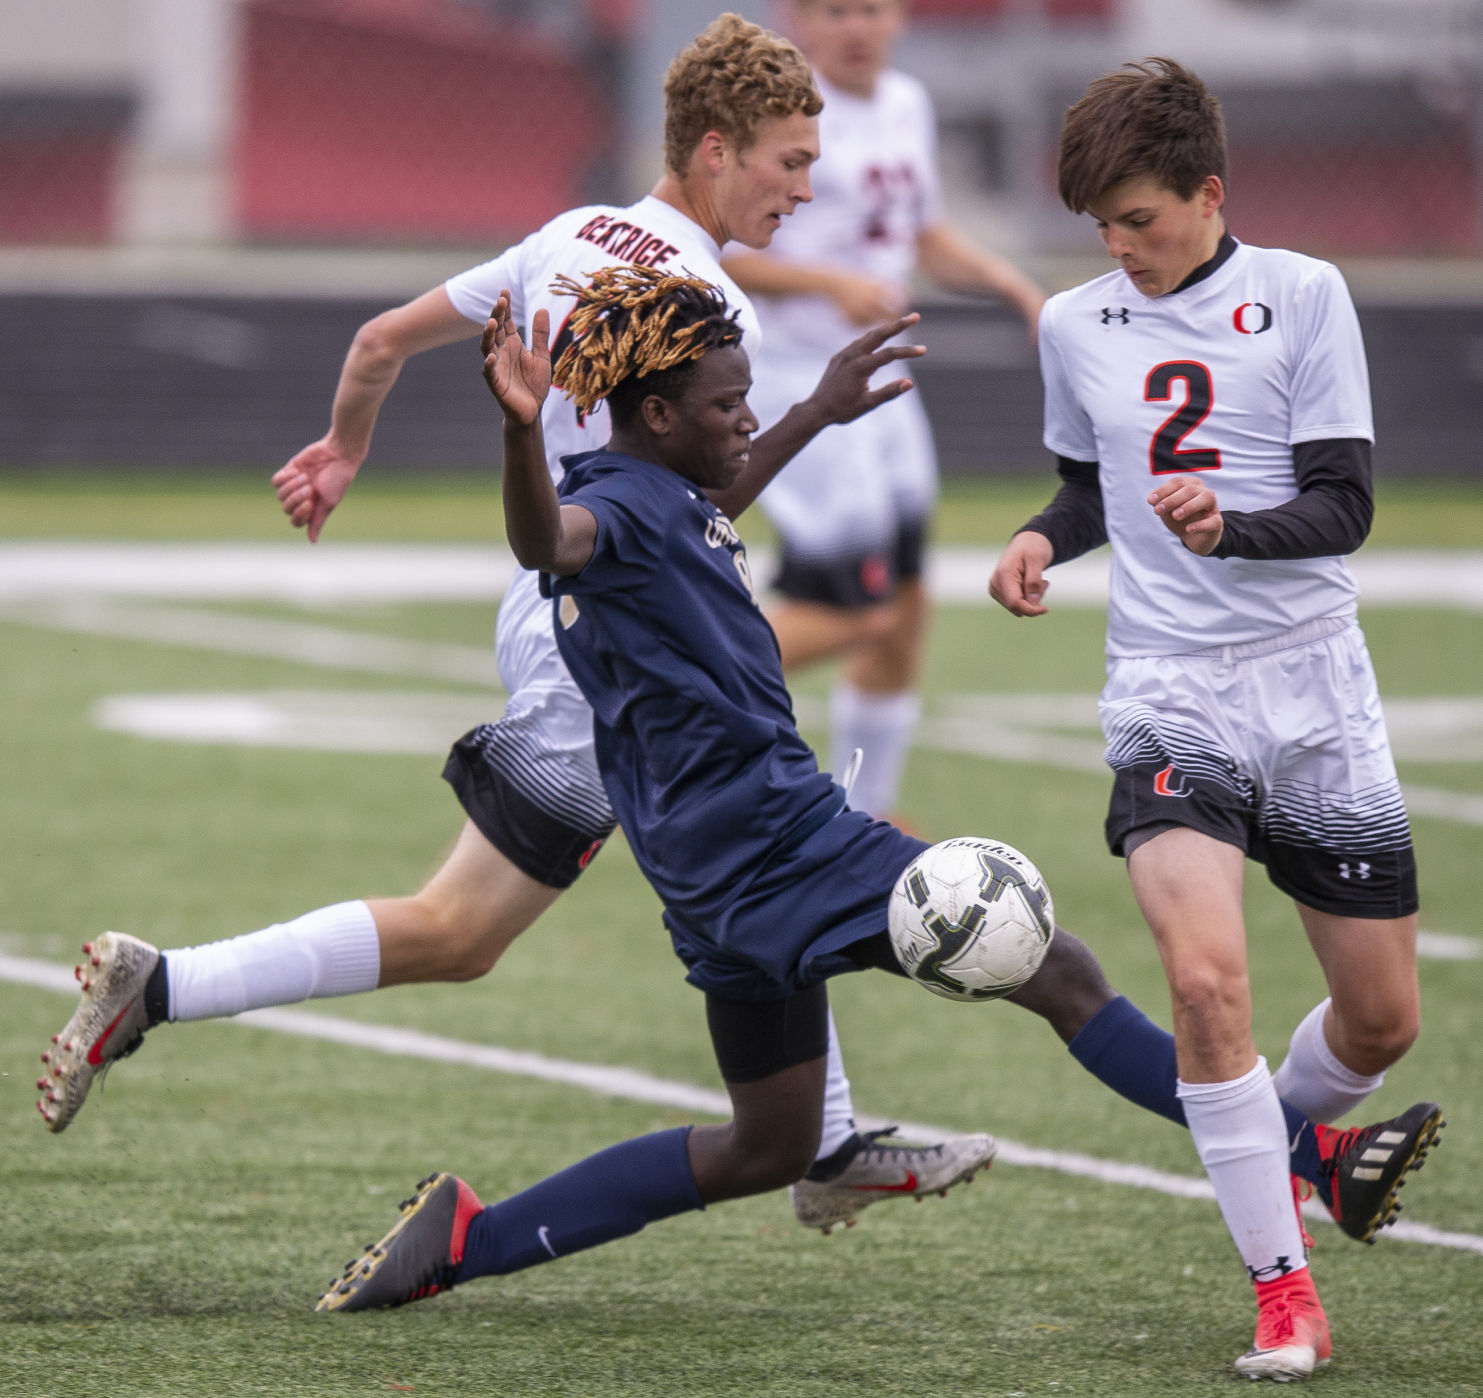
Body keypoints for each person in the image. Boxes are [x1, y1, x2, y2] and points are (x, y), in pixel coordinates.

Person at [313, 269, 1439, 1318]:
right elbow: (546, 539)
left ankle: (470, 1238)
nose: (745, 416)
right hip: (774, 847)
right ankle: (1312, 1157)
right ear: (657, 416)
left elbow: (703, 504)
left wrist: (814, 411)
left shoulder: (659, 496)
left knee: (771, 1144)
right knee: (1055, 966)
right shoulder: (604, 512)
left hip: (715, 870)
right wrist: (518, 429)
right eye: (728, 402)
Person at [34, 13, 997, 1235]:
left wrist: (342, 451)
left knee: (613, 889)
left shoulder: (569, 234)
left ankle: (827, 1140)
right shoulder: (698, 297)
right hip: (612, 635)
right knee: (534, 908)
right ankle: (161, 985)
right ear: (713, 149)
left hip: (569, 611)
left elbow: (379, 339)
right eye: (790, 162)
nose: (809, 187)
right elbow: (683, 511)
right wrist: (807, 418)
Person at [988, 58, 1443, 1382]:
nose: (1116, 249)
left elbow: (1342, 506)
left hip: (1310, 682)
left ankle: (1290, 1152)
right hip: (1166, 687)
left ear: (1206, 193)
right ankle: (1279, 1288)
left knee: (1378, 1021)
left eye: (1137, 219)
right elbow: (1087, 489)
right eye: (1098, 228)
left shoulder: (1301, 295)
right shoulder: (1074, 325)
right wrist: (1036, 536)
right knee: (1201, 984)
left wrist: (1229, 529)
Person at [722, 0, 1044, 821]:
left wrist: (1011, 285)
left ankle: (865, 806)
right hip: (801, 381)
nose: (855, 27)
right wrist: (829, 285)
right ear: (798, 21)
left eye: (870, 7)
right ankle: (666, 690)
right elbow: (721, 249)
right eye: (834, 10)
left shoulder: (903, 102)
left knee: (902, 603)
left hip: (885, 379)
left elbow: (922, 234)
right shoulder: (776, 118)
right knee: (848, 608)